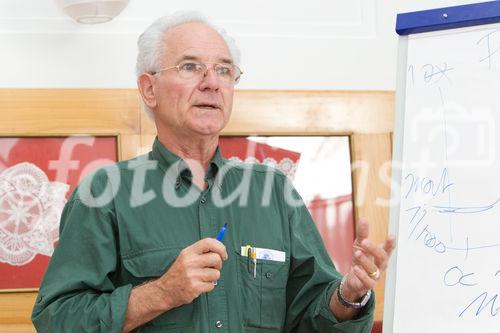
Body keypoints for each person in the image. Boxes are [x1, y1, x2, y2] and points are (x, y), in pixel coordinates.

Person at [32, 11, 395, 333]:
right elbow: (56, 319)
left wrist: (348, 296)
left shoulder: (274, 191)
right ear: (149, 89)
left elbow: (312, 319)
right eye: (190, 66)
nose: (212, 82)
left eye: (224, 69)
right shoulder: (104, 192)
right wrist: (161, 293)